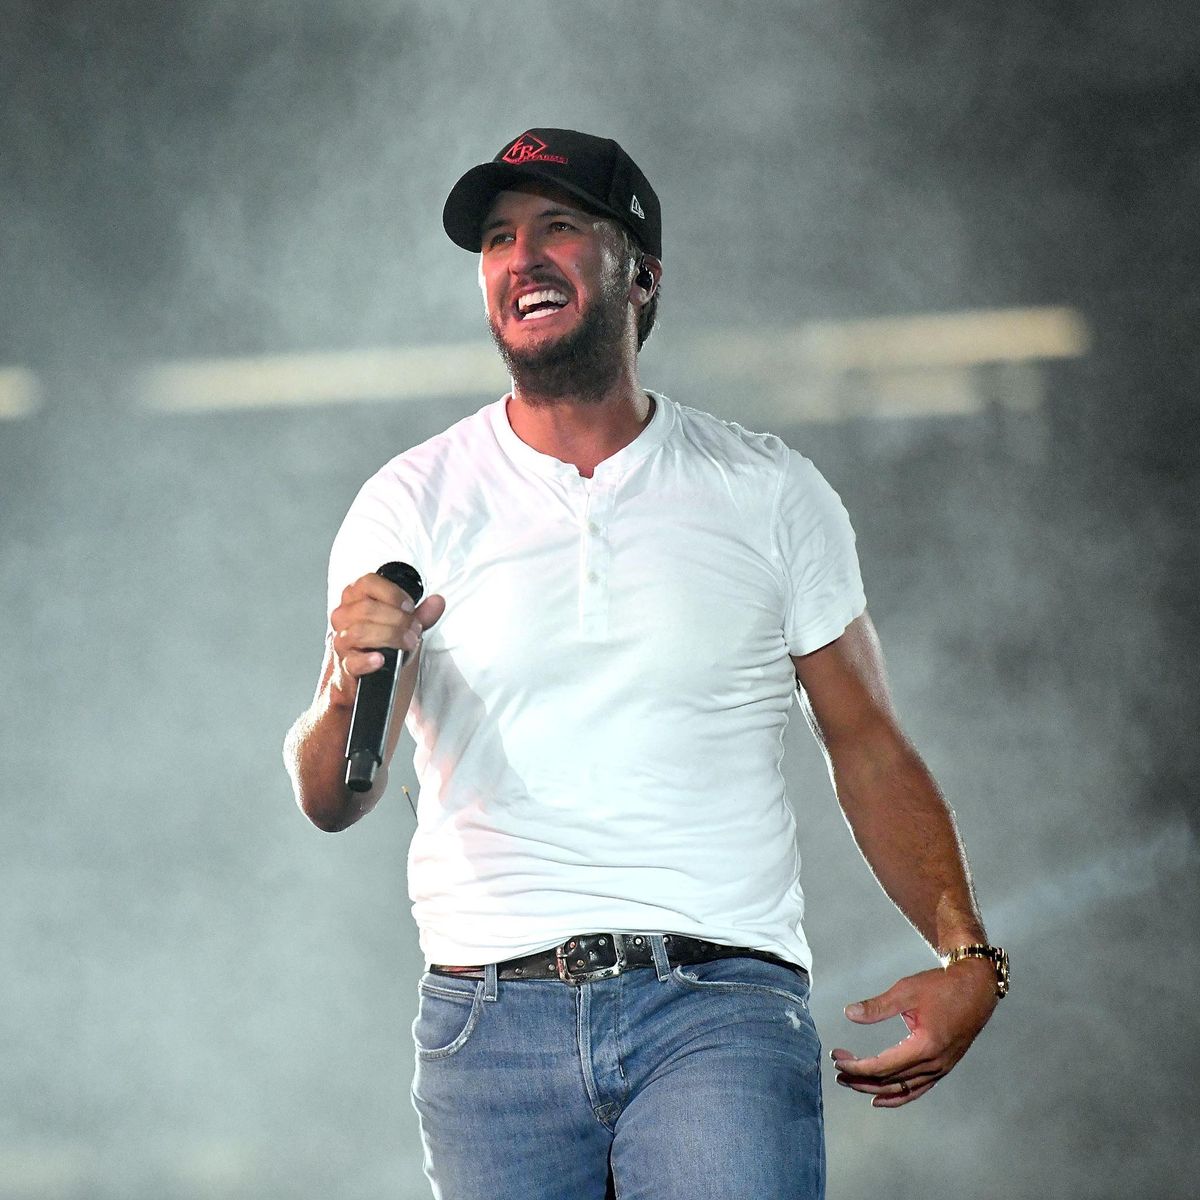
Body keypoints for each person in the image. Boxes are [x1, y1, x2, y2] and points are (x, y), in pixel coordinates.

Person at [283, 128, 1007, 1200]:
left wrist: (968, 955)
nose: (521, 257)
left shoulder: (769, 492)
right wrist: (352, 677)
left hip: (717, 1005)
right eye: (497, 238)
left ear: (642, 274)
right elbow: (333, 796)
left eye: (559, 227)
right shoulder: (410, 502)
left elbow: (867, 745)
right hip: (490, 1024)